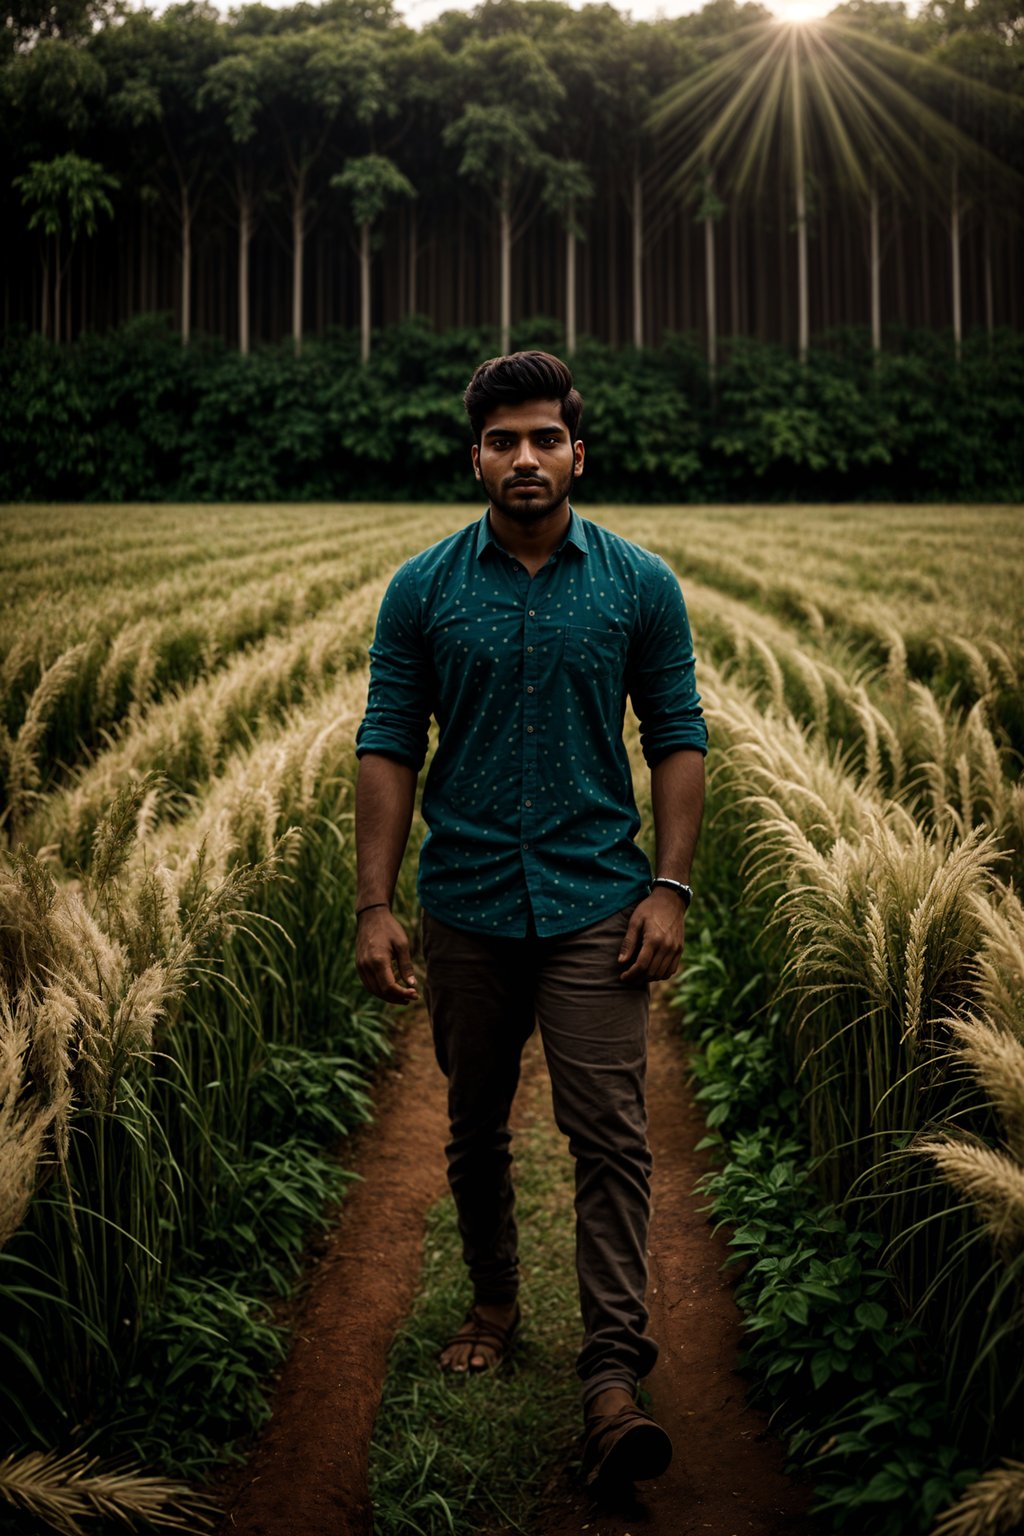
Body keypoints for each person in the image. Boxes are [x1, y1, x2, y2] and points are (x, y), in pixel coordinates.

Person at [353, 350, 707, 1493]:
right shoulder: (423, 589)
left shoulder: (638, 584)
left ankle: (611, 1378)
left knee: (608, 1134)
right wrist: (374, 904)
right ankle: (496, 1300)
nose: (524, 458)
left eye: (544, 438)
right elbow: (390, 742)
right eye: (503, 441)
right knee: (472, 1125)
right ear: (475, 458)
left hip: (596, 901)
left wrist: (669, 887)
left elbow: (677, 737)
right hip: (464, 903)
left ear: (576, 452)